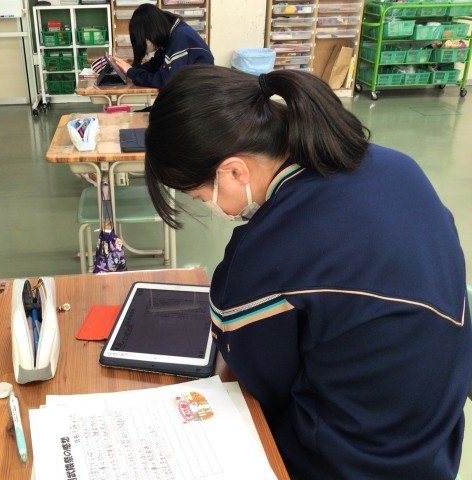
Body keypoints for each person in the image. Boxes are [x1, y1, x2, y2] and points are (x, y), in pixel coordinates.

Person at [144, 65, 472, 479]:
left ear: (234, 171)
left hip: (349, 463)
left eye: (199, 196)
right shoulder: (398, 166)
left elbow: (261, 391)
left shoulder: (262, 258)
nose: (210, 207)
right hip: (434, 445)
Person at [109, 4, 214, 90]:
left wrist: (132, 73)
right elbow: (156, 64)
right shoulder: (172, 32)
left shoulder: (179, 37)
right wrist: (129, 70)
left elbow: (165, 81)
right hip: (189, 92)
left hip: (199, 96)